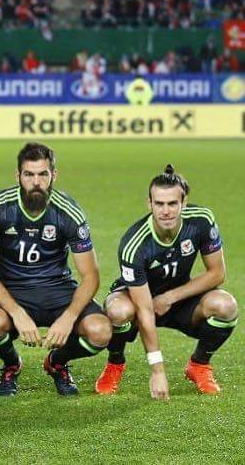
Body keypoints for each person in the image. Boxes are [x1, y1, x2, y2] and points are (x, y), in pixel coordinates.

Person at [0, 142, 111, 396]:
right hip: (14, 291)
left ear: (53, 176)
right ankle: (11, 365)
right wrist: (16, 312)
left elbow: (91, 275)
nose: (36, 182)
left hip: (59, 290)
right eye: (29, 174)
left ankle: (57, 362)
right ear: (18, 176)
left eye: (43, 174)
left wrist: (69, 317)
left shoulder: (68, 211)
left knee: (100, 331)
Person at [96, 165, 237, 398]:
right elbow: (144, 308)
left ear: (184, 202)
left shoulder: (202, 220)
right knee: (118, 311)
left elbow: (217, 274)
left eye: (172, 203)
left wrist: (170, 297)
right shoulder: (134, 245)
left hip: (178, 299)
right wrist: (157, 370)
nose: (166, 211)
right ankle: (115, 363)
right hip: (137, 299)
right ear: (149, 204)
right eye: (159, 204)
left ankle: (199, 365)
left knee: (226, 306)